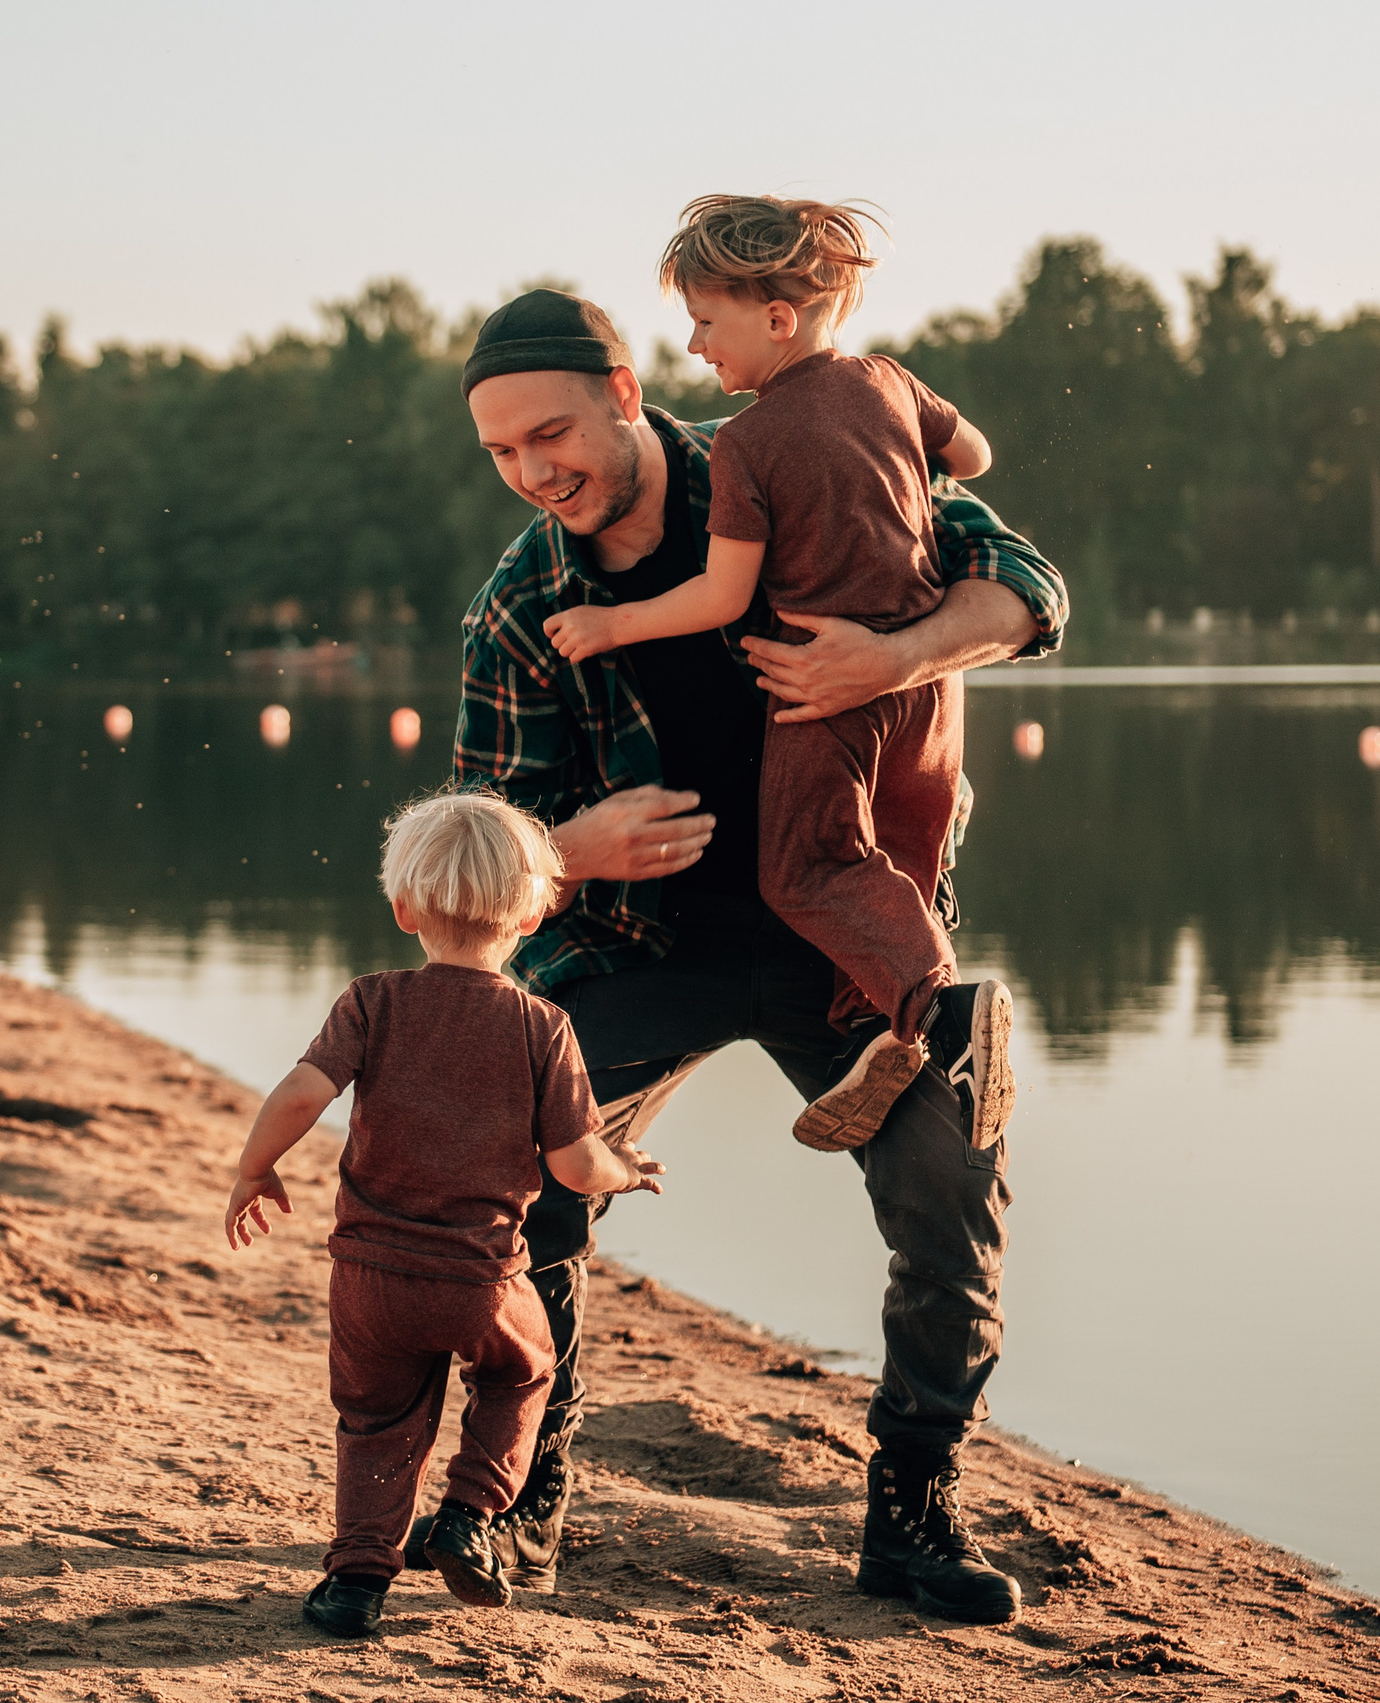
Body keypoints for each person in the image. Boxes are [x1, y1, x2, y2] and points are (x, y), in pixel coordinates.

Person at [437, 287, 1068, 1626]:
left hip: (842, 945)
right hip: (632, 950)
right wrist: (573, 847)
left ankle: (912, 1510)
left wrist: (892, 656)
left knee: (955, 1180)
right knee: (512, 1161)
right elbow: (479, 858)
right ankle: (526, 1488)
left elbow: (1028, 587)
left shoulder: (797, 454)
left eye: (551, 433)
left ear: (624, 392)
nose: (533, 471)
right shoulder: (520, 606)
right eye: (501, 452)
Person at [541, 195, 1008, 1154]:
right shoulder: (890, 382)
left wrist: (613, 621)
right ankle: (882, 1035)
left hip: (821, 686)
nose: (696, 346)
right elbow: (973, 456)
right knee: (892, 857)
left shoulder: (747, 444)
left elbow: (722, 596)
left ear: (780, 318)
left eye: (707, 322)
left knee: (805, 869)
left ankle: (943, 1010)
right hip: (929, 699)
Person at [221, 790, 664, 1638]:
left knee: (376, 1421)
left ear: (404, 909)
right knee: (525, 1370)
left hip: (370, 1278)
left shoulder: (370, 1002)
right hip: (480, 1278)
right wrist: (627, 1169)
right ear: (532, 915)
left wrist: (254, 1167)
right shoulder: (543, 1027)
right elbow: (575, 1165)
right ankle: (468, 1513)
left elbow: (304, 1090)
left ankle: (355, 1580)